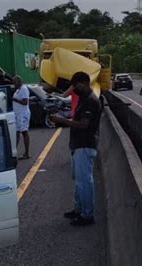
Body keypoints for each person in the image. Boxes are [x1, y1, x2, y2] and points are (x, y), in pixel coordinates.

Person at [50, 72, 101, 226]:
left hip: (85, 145)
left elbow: (84, 124)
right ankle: (78, 209)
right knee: (79, 180)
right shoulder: (84, 99)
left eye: (75, 85)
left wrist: (62, 120)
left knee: (85, 181)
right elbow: (78, 119)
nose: (73, 88)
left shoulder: (91, 101)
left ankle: (87, 215)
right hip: (78, 145)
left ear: (84, 83)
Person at [12, 76, 31, 160]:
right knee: (16, 133)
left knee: (24, 132)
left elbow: (25, 102)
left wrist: (14, 99)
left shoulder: (23, 89)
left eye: (14, 82)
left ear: (18, 82)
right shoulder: (17, 90)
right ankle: (13, 152)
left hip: (23, 114)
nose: (13, 84)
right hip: (17, 115)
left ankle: (27, 153)